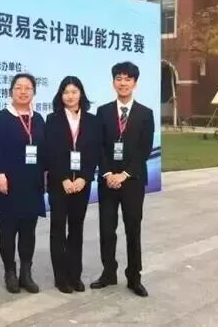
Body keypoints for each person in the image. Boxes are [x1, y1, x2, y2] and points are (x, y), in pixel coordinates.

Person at [91, 61, 154, 297]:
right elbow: (99, 146)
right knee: (107, 230)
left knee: (132, 230)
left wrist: (124, 175)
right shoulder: (103, 112)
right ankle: (109, 273)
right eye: (119, 78)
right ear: (113, 83)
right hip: (108, 181)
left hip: (132, 181)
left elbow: (144, 149)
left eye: (128, 79)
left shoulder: (145, 114)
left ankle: (134, 277)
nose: (123, 83)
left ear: (135, 83)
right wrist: (108, 174)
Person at [0, 73, 46, 294]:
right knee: (8, 230)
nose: (23, 92)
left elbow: (44, 150)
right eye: (18, 87)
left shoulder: (38, 119)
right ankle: (9, 272)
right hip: (9, 182)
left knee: (28, 231)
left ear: (34, 92)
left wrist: (46, 174)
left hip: (32, 183)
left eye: (28, 88)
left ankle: (26, 273)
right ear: (10, 92)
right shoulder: (2, 118)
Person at [45, 76, 101, 294]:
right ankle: (60, 278)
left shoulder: (92, 121)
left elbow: (95, 152)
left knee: (76, 229)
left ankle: (75, 275)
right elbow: (50, 152)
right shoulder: (52, 120)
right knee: (58, 229)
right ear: (61, 95)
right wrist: (64, 179)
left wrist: (84, 178)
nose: (70, 96)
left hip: (81, 184)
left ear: (81, 94)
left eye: (74, 92)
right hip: (59, 184)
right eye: (66, 92)